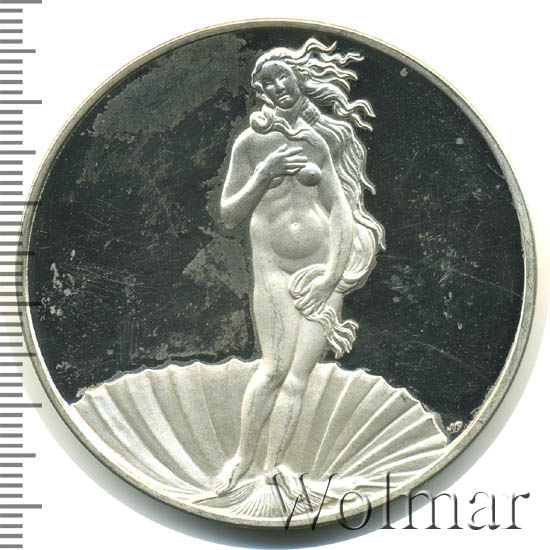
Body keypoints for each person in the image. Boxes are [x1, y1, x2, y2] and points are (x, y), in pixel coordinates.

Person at [215, 38, 385, 495]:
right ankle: (242, 459)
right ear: (261, 93)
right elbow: (229, 213)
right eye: (267, 83)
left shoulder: (316, 141)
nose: (277, 87)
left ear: (298, 79)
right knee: (273, 369)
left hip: (322, 270)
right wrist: (264, 173)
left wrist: (331, 275)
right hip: (273, 269)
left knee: (297, 377)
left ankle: (274, 468)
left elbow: (340, 210)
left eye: (283, 77)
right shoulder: (250, 143)